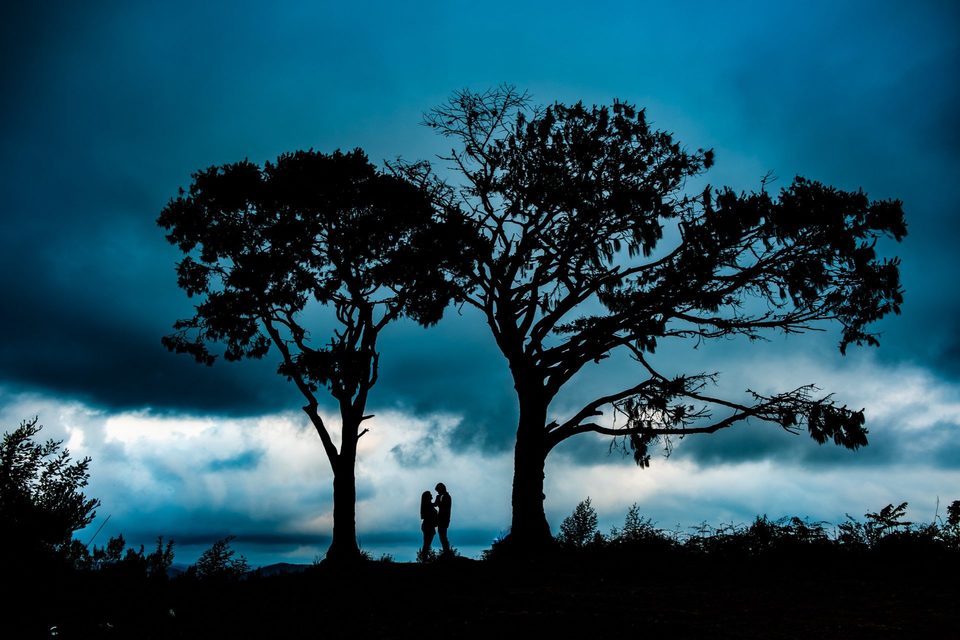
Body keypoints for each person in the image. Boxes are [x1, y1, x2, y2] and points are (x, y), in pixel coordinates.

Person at [434, 482, 452, 554]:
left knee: (443, 537)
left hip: (444, 519)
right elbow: (437, 504)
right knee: (442, 537)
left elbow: (444, 508)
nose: (438, 492)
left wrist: (437, 500)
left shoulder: (446, 497)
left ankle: (446, 552)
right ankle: (446, 552)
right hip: (442, 519)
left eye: (438, 491)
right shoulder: (443, 496)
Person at [420, 490, 437, 555]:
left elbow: (435, 504)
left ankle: (424, 557)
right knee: (427, 543)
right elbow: (435, 504)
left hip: (428, 525)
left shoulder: (428, 505)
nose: (431, 495)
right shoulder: (428, 505)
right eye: (430, 494)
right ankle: (424, 558)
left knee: (427, 543)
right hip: (428, 526)